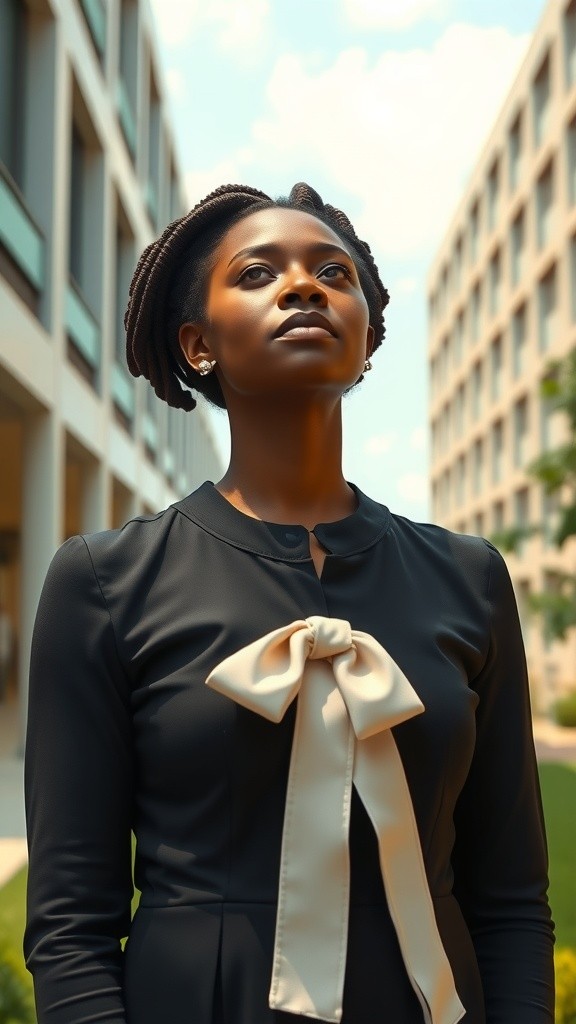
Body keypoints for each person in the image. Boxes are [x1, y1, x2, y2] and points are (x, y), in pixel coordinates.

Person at [24, 182, 555, 1024]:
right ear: (198, 343)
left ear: (368, 338)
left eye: (334, 273)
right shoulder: (103, 580)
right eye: (259, 273)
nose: (306, 286)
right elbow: (70, 928)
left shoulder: (471, 576)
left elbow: (514, 898)